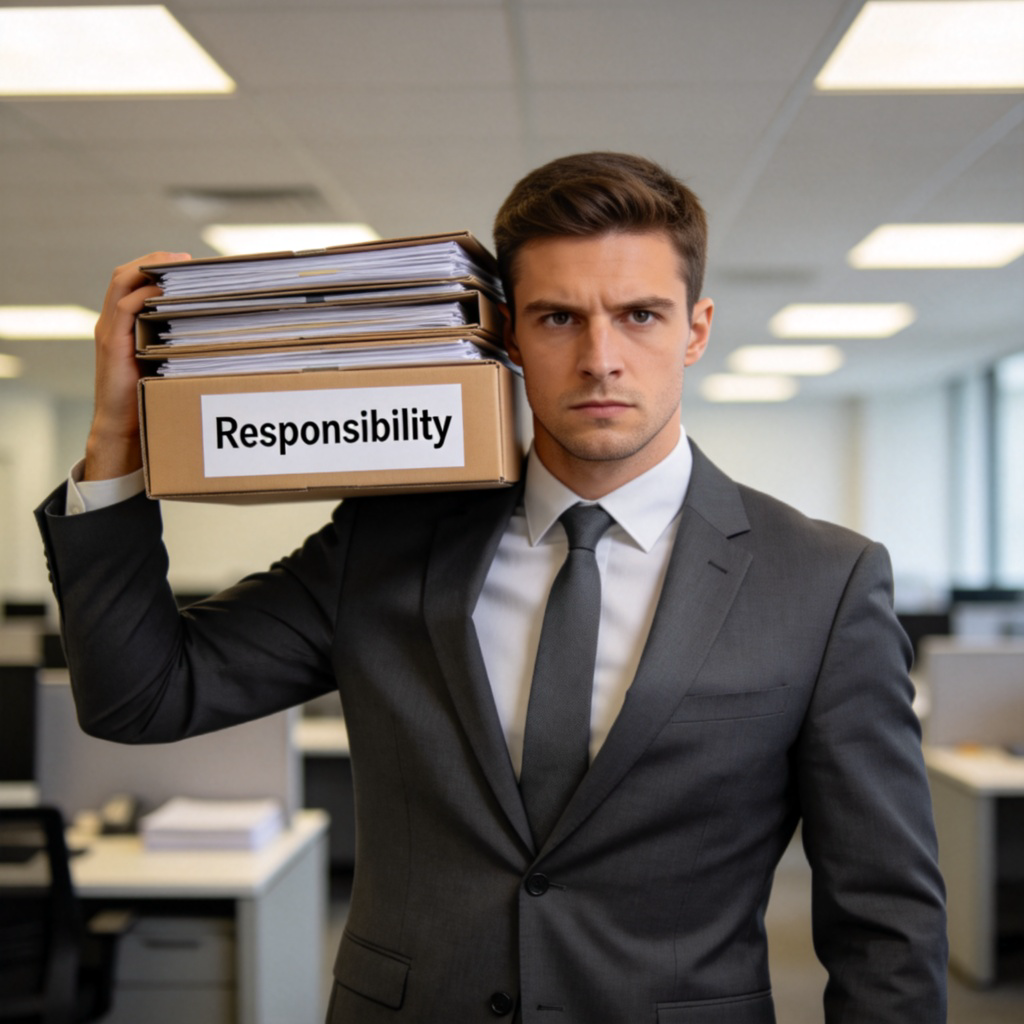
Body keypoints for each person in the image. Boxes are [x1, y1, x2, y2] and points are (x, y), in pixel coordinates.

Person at [35, 152, 947, 1023]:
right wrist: (117, 441)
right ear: (506, 330)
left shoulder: (824, 582)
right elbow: (142, 698)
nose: (600, 358)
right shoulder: (387, 540)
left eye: (639, 315)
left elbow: (887, 922)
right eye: (558, 318)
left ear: (696, 329)